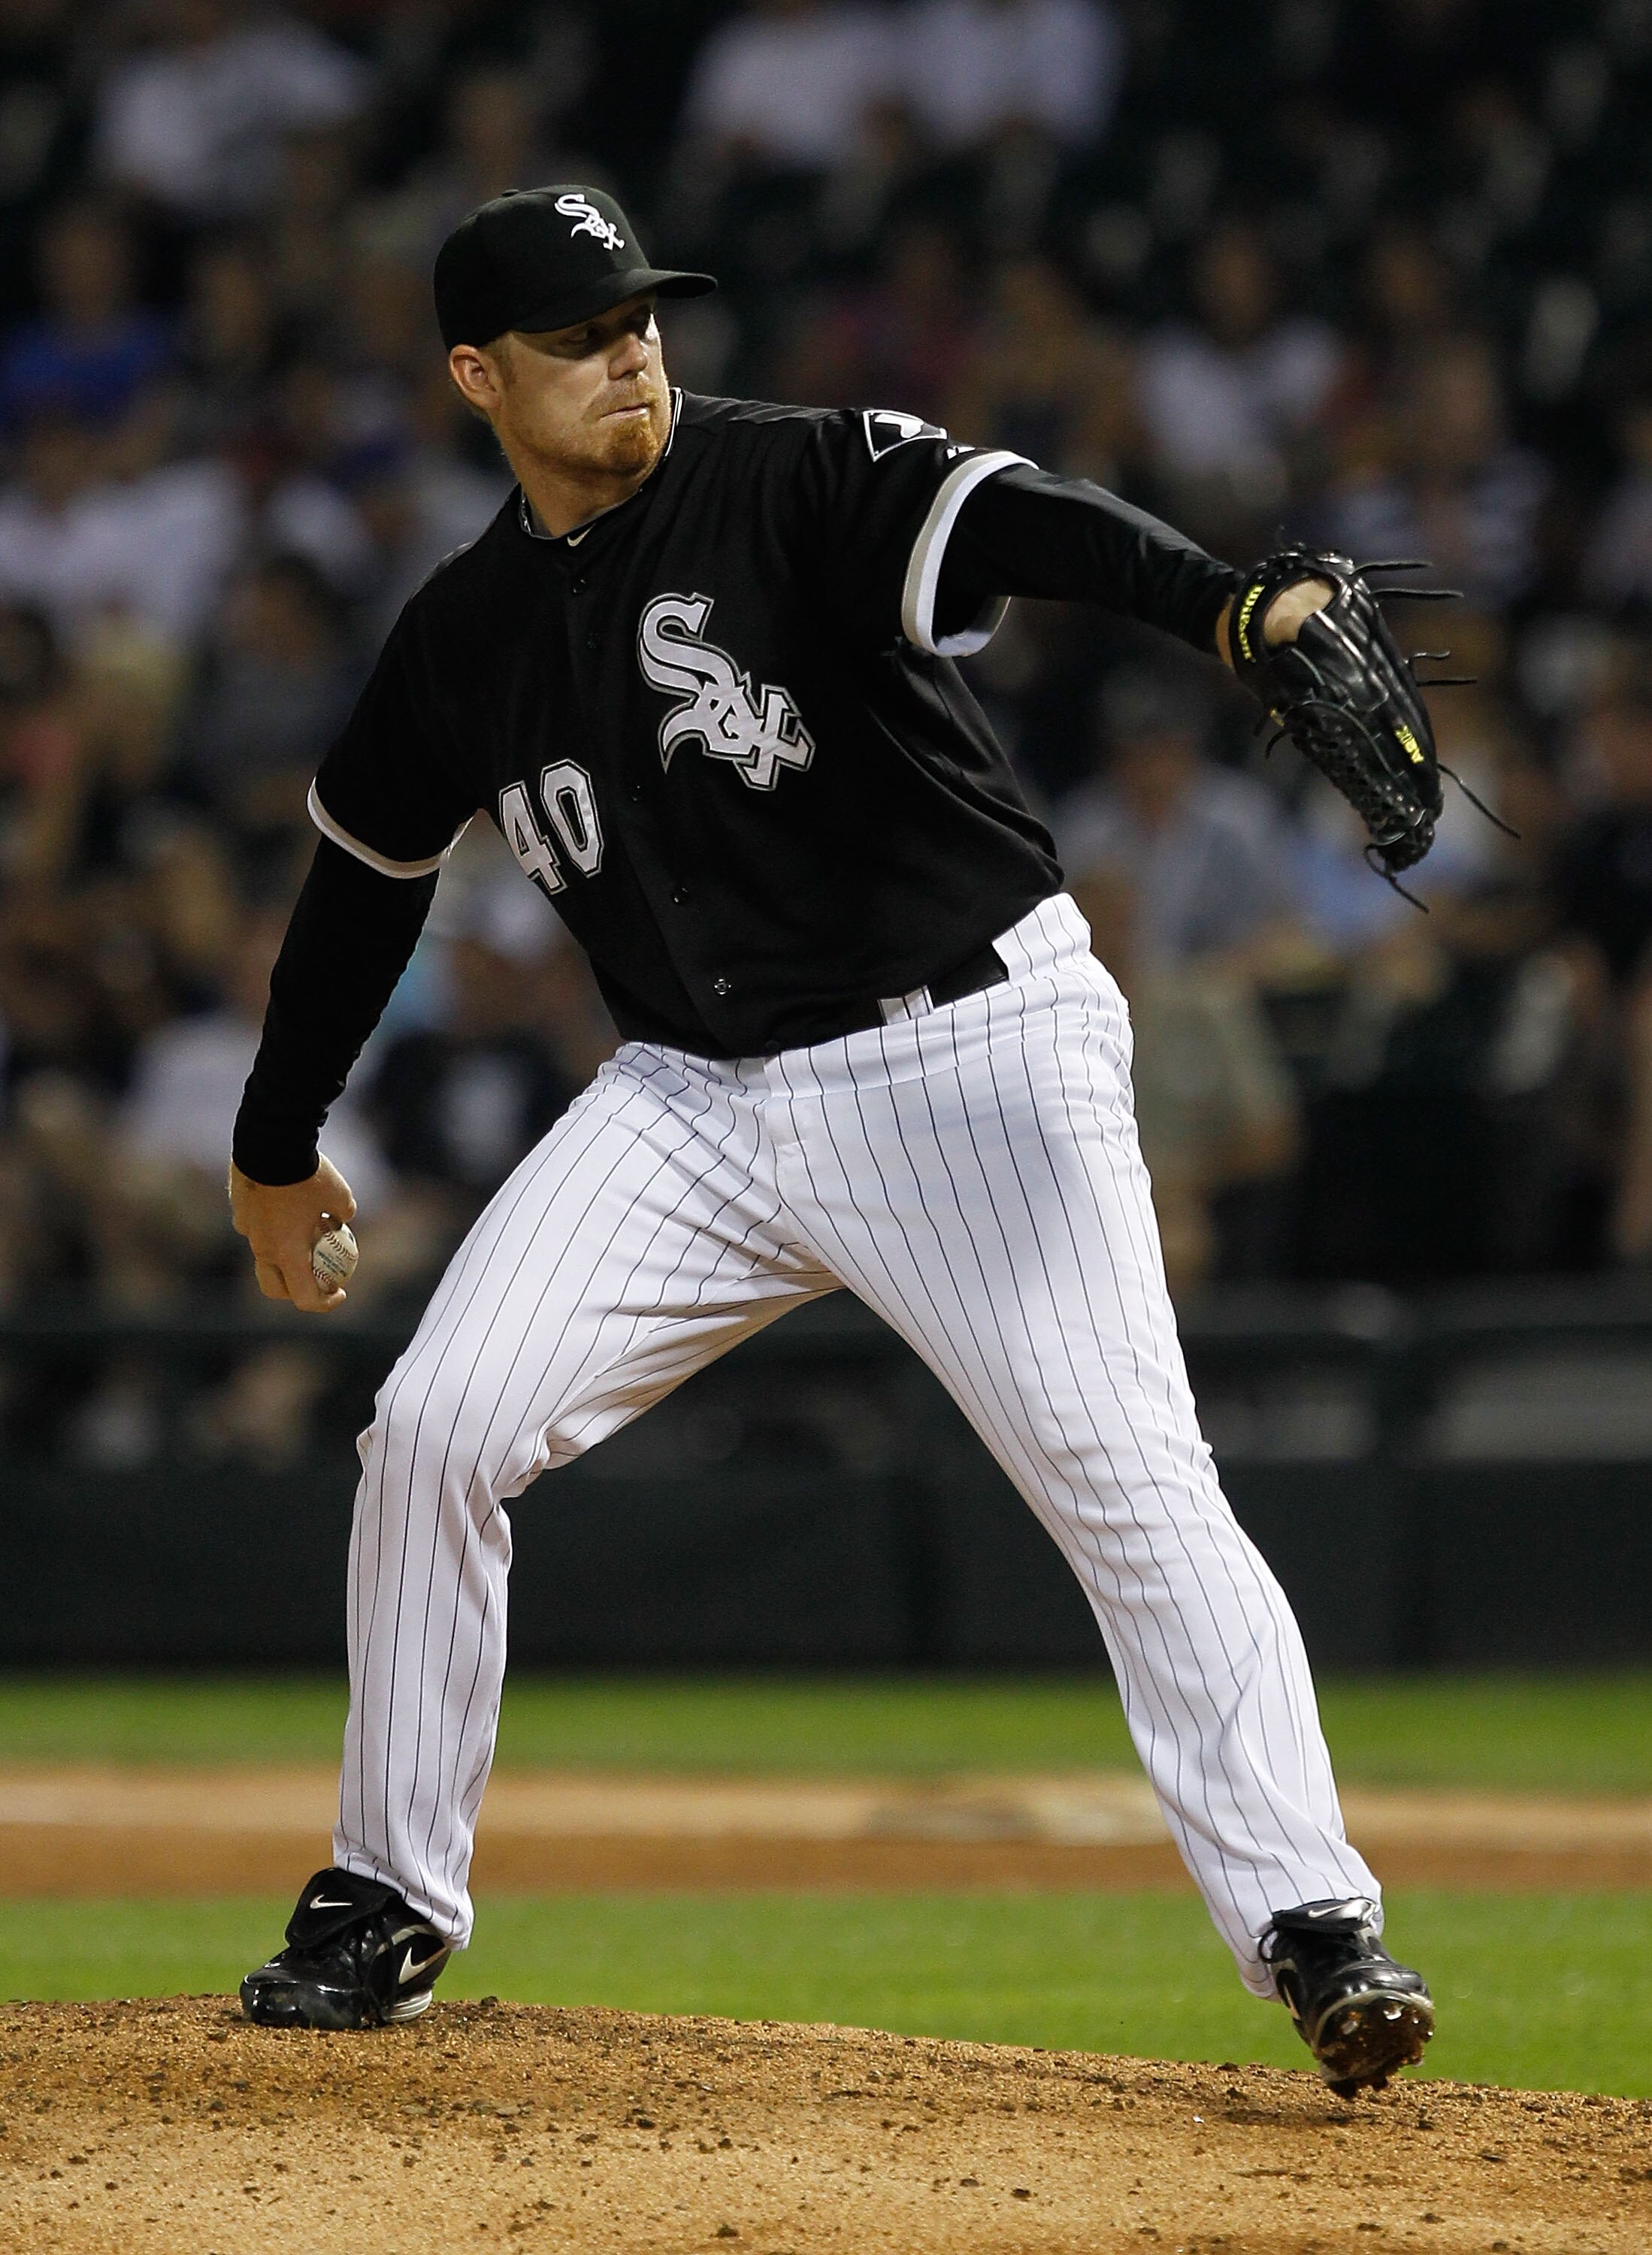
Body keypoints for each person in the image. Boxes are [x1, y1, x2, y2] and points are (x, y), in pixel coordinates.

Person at [228, 183, 1433, 2094]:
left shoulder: (790, 474)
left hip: (964, 1048)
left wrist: (1221, 602)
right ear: (475, 376)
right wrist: (274, 1142)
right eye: (575, 335)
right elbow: (361, 890)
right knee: (437, 1428)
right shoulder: (460, 635)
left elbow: (1011, 514)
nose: (628, 353)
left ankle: (1312, 1921)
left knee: (1124, 1478)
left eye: (640, 317)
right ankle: (384, 1898)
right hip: (692, 1100)